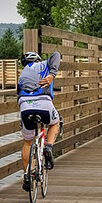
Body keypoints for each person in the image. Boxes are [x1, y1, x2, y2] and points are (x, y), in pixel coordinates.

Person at [17, 50, 61, 191]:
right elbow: (56, 54)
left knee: (27, 142)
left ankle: (27, 176)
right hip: (44, 103)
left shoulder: (21, 76)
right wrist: (51, 75)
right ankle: (48, 147)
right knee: (55, 122)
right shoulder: (44, 65)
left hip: (25, 106)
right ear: (37, 59)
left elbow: (18, 95)